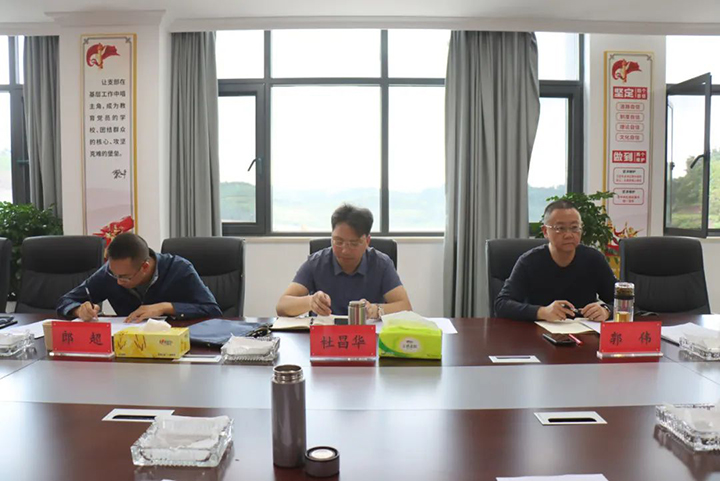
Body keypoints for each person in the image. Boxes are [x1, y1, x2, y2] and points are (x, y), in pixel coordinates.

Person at [276, 204, 412, 318]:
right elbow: (282, 306)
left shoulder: (381, 264)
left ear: (367, 241)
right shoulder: (316, 262)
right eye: (338, 242)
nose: (345, 250)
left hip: (367, 336)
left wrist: (375, 310)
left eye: (354, 243)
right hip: (325, 337)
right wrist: (311, 302)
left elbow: (405, 307)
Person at [494, 200, 616, 322]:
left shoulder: (594, 259)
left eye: (574, 228)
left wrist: (607, 310)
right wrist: (542, 312)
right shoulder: (529, 262)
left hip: (585, 330)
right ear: (545, 231)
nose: (568, 235)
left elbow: (622, 300)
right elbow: (501, 305)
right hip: (539, 330)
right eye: (560, 228)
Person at [56, 233, 222, 322]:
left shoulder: (179, 269)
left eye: (125, 277)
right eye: (114, 274)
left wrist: (165, 307)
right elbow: (65, 301)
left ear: (145, 267)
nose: (118, 281)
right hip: (126, 349)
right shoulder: (109, 273)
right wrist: (79, 310)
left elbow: (212, 310)